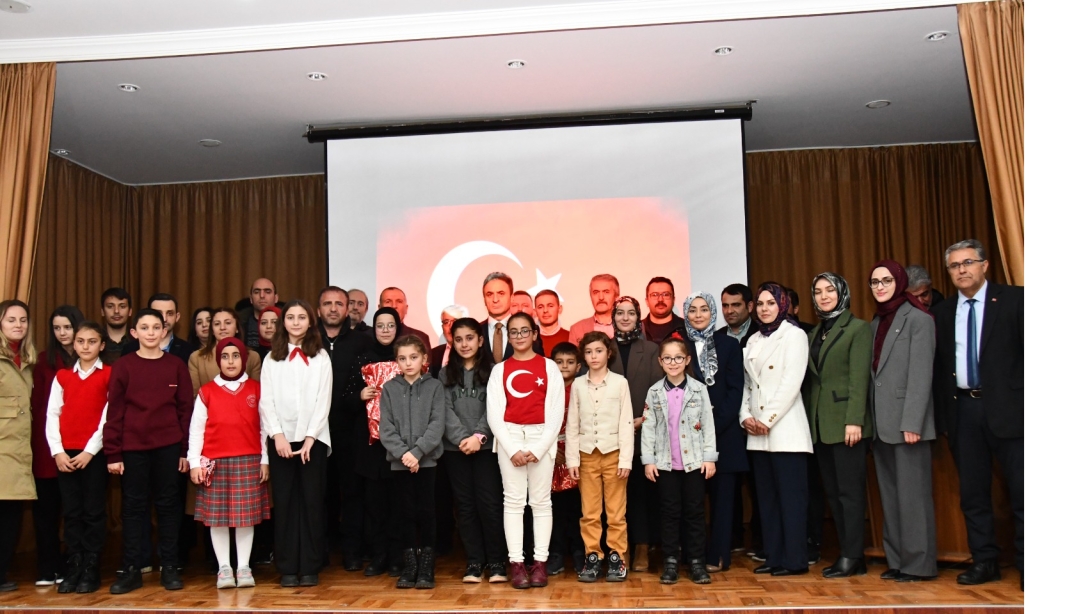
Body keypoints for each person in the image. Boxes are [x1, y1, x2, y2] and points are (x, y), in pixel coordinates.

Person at [933, 239, 1023, 588]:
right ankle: (985, 561)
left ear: (985, 265)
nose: (961, 270)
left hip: (1011, 411)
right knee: (973, 494)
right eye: (954, 266)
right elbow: (941, 371)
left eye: (968, 262)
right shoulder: (942, 313)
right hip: (963, 411)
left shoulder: (1016, 300)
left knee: (1024, 492)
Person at [104, 308, 194, 594]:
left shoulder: (176, 365)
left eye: (157, 327)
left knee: (168, 506)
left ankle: (169, 567)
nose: (151, 333)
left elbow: (185, 410)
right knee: (133, 507)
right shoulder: (124, 366)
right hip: (133, 448)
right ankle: (132, 569)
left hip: (168, 447)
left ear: (165, 331)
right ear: (135, 333)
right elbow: (114, 411)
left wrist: (184, 450)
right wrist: (114, 453)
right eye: (145, 328)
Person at [868, 260, 938, 583]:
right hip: (882, 425)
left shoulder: (919, 319)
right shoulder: (876, 322)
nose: (880, 287)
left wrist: (913, 421)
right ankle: (896, 560)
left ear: (899, 282)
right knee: (891, 496)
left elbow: (921, 376)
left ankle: (919, 565)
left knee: (913, 497)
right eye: (874, 282)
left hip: (907, 424)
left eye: (885, 281)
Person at [486, 312, 565, 589]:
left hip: (541, 439)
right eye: (514, 332)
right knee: (514, 502)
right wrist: (512, 449)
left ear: (534, 334)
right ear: (509, 335)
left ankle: (540, 563)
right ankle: (517, 564)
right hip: (510, 440)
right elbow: (494, 414)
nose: (519, 336)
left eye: (524, 331)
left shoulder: (550, 368)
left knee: (541, 502)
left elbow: (556, 413)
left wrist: (539, 448)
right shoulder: (499, 370)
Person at [803, 273, 873, 579]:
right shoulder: (814, 333)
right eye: (818, 291)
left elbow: (859, 379)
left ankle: (852, 555)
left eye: (830, 290)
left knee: (850, 493)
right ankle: (849, 553)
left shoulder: (858, 329)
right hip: (820, 426)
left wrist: (854, 420)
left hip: (847, 425)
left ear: (842, 292)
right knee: (834, 493)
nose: (823, 296)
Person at [259, 299, 333, 588]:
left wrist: (310, 438)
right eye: (290, 317)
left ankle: (310, 566)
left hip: (312, 441)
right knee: (287, 504)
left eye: (302, 317)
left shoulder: (321, 357)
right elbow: (267, 401)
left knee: (312, 503)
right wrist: (277, 434)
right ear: (283, 322)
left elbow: (322, 400)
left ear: (310, 322)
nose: (296, 322)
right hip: (281, 442)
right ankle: (288, 566)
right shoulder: (271, 359)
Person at [739, 283, 812, 577]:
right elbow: (748, 385)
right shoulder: (753, 339)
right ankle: (774, 555)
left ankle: (794, 560)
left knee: (791, 499)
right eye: (760, 303)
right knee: (767, 500)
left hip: (785, 430)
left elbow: (791, 385)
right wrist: (745, 416)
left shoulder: (794, 336)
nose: (765, 308)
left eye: (771, 302)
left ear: (782, 305)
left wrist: (766, 420)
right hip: (757, 433)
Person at [187, 338, 270, 589]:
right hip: (215, 461)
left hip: (249, 459)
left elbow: (265, 428)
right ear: (218, 360)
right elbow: (196, 430)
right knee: (218, 518)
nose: (231, 361)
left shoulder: (257, 389)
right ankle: (225, 568)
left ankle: (243, 567)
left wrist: (265, 460)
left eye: (236, 356)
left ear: (243, 359)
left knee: (245, 518)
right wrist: (194, 462)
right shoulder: (207, 392)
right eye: (225, 356)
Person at [677, 293, 745, 572]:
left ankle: (718, 555)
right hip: (687, 435)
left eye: (704, 309)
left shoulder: (729, 344)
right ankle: (692, 555)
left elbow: (735, 389)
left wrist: (712, 424)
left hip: (723, 433)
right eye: (692, 310)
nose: (698, 314)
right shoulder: (678, 346)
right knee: (690, 501)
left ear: (712, 312)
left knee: (723, 500)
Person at [641, 335, 717, 585]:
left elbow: (708, 424)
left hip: (694, 463)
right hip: (665, 464)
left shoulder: (699, 389)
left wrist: (709, 457)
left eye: (678, 358)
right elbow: (649, 427)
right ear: (660, 362)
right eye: (667, 359)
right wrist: (648, 460)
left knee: (695, 512)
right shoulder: (654, 392)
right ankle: (671, 561)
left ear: (686, 360)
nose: (673, 363)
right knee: (669, 513)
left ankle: (696, 561)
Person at [45, 321, 111, 594]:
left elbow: (109, 417)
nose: (86, 346)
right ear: (74, 344)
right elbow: (52, 415)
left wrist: (89, 451)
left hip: (93, 453)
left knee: (93, 511)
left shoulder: (109, 374)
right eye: (81, 341)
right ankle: (74, 564)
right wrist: (58, 451)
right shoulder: (62, 376)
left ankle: (91, 567)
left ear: (102, 345)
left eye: (92, 341)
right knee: (72, 512)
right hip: (66, 454)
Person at [441, 318, 506, 583]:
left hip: (486, 448)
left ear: (481, 341)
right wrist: (461, 439)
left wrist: (478, 437)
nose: (464, 344)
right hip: (455, 450)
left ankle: (497, 562)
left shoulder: (494, 371)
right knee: (465, 507)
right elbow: (444, 410)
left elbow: (495, 408)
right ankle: (474, 562)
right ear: (452, 342)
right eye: (458, 339)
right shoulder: (445, 374)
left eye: (470, 338)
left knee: (490, 505)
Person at [567, 331, 634, 583]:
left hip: (614, 454)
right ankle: (593, 556)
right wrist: (573, 459)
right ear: (583, 356)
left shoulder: (620, 383)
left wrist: (626, 459)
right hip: (587, 455)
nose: (594, 356)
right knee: (590, 512)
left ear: (608, 353)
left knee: (616, 511)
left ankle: (617, 556)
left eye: (598, 351)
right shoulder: (577, 384)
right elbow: (572, 424)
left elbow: (626, 422)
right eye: (588, 351)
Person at [379, 336, 445, 590]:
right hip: (400, 463)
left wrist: (417, 453)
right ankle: (410, 564)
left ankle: (427, 565)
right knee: (404, 513)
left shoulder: (434, 387)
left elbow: (437, 424)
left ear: (424, 359)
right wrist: (404, 455)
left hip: (426, 462)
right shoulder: (390, 389)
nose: (408, 363)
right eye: (402, 358)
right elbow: (386, 428)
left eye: (413, 357)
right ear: (396, 361)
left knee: (426, 513)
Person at [606, 297, 664, 573]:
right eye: (620, 313)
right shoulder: (603, 348)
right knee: (616, 496)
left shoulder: (652, 349)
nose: (625, 317)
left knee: (641, 494)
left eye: (631, 313)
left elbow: (658, 391)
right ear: (613, 317)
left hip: (644, 432)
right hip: (610, 435)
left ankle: (642, 546)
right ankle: (620, 548)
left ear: (638, 317)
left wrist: (640, 421)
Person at [30, 305, 84, 587]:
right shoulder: (43, 361)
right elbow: (39, 409)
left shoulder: (89, 360)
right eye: (57, 328)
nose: (63, 333)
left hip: (81, 447)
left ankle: (74, 564)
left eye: (68, 327)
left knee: (76, 511)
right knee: (47, 511)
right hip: (48, 448)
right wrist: (50, 447)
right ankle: (46, 566)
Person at [316, 286, 369, 571]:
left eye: (339, 303)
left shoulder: (363, 342)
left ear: (348, 309)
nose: (333, 308)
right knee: (320, 495)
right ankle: (320, 553)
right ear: (319, 310)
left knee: (352, 494)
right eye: (328, 304)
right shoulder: (309, 341)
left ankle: (352, 552)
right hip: (315, 433)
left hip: (351, 431)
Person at [350, 308, 404, 578]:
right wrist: (359, 395)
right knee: (374, 504)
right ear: (373, 328)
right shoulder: (362, 358)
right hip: (369, 445)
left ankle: (396, 557)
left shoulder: (405, 358)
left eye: (390, 325)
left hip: (400, 444)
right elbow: (344, 397)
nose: (385, 330)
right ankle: (378, 555)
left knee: (398, 504)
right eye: (380, 325)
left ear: (398, 328)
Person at [0, 299, 38, 593]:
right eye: (11, 319)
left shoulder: (25, 361)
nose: (18, 325)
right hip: (2, 451)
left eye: (23, 320)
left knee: (10, 516)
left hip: (18, 452)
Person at [546, 342, 584, 577]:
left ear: (579, 366)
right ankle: (556, 553)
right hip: (551, 458)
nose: (564, 367)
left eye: (570, 362)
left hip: (578, 460)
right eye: (559, 362)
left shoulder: (582, 389)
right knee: (554, 509)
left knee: (578, 508)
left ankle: (580, 552)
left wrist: (573, 453)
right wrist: (552, 450)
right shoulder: (546, 390)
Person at [188, 308, 263, 395]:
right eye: (217, 324)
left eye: (228, 323)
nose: (222, 328)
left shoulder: (253, 357)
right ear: (212, 330)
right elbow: (195, 395)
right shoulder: (196, 358)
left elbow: (255, 394)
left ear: (237, 328)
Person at [124, 293, 196, 363]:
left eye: (170, 313)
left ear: (177, 317)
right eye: (158, 313)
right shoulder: (129, 349)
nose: (164, 319)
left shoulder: (188, 350)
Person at [568, 274, 620, 346]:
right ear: (591, 296)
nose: (601, 297)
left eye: (606, 292)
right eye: (596, 292)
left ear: (616, 296)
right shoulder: (577, 329)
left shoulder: (630, 325)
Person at [379, 287, 432, 353]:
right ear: (379, 308)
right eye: (388, 301)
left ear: (406, 308)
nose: (394, 306)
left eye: (399, 301)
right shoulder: (368, 338)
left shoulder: (420, 337)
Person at [429, 304, 470, 378]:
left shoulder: (472, 352)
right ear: (442, 327)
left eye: (455, 321)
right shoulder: (433, 354)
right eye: (446, 322)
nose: (450, 326)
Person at [237, 278, 279, 350]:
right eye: (256, 292)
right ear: (251, 299)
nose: (262, 296)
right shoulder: (239, 322)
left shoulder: (286, 321)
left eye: (267, 292)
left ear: (276, 298)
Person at [642, 277, 685, 343]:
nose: (660, 299)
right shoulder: (638, 330)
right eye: (655, 295)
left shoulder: (686, 328)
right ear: (647, 301)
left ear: (673, 300)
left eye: (666, 295)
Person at [100, 288, 132, 365]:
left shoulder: (139, 340)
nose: (116, 311)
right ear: (102, 311)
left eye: (122, 306)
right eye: (110, 306)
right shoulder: (95, 340)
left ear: (130, 311)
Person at [721, 284, 757, 348]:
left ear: (750, 306)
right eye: (725, 305)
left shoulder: (761, 333)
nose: (729, 311)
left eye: (736, 305)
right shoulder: (715, 337)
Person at [535, 290, 568, 357]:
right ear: (535, 311)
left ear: (559, 309)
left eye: (550, 306)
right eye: (540, 307)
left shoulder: (570, 337)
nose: (545, 310)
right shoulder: (530, 340)